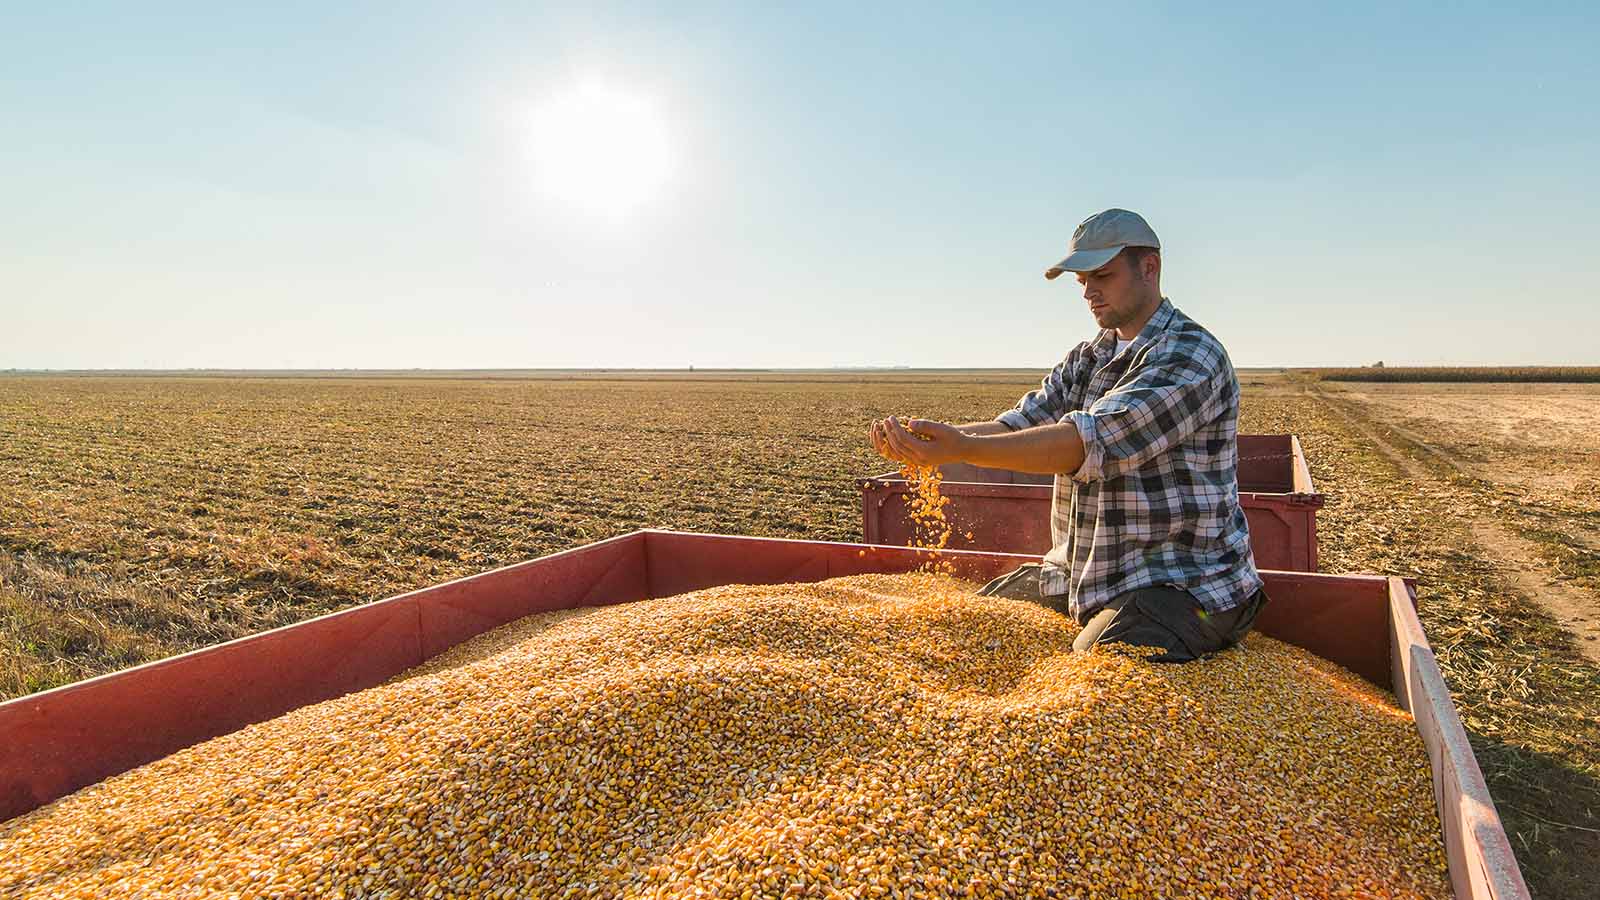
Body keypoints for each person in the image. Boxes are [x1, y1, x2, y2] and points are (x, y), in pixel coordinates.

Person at [869, 208, 1266, 662]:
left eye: (1102, 275)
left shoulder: (1191, 355)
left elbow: (1086, 443)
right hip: (1086, 574)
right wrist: (933, 444)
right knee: (978, 623)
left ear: (1149, 267)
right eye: (1082, 281)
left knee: (1102, 664)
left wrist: (964, 447)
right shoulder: (1088, 358)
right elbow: (1015, 426)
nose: (1089, 291)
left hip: (1183, 584)